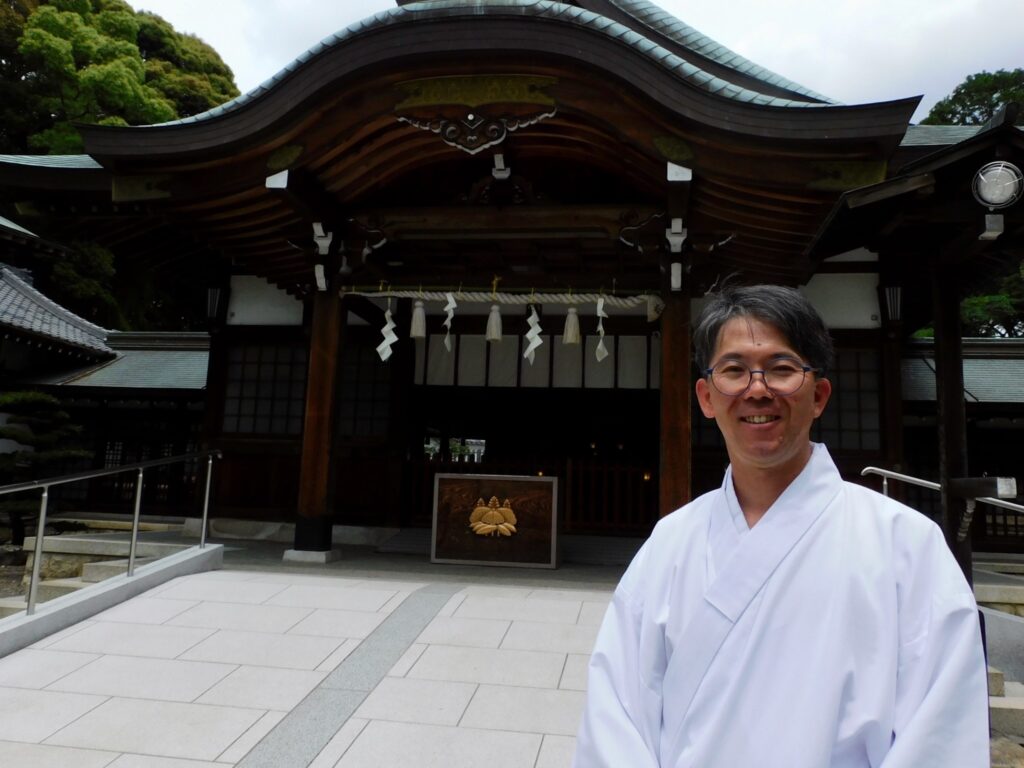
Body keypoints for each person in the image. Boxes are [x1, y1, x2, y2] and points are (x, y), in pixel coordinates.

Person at [572, 284, 989, 767]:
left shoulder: (907, 545)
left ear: (819, 395)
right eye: (733, 370)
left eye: (782, 368)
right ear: (706, 397)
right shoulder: (672, 540)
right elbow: (615, 712)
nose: (757, 389)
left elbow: (941, 732)